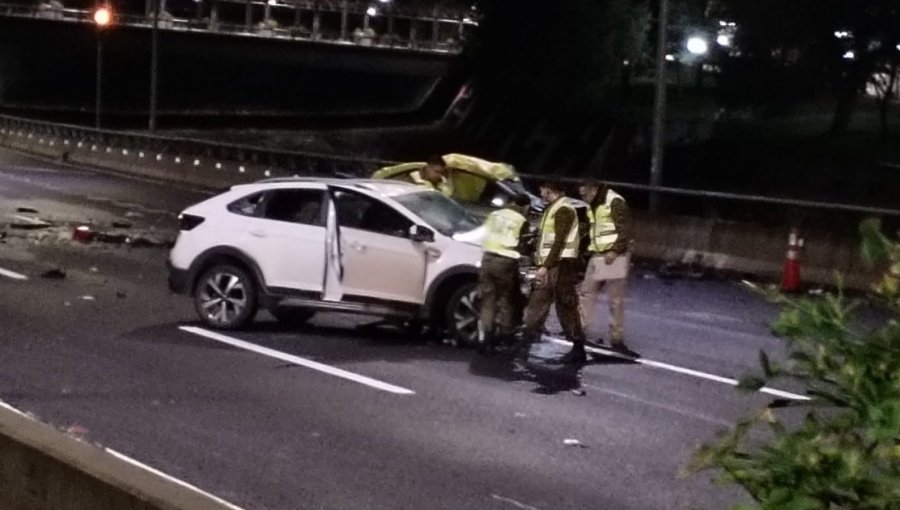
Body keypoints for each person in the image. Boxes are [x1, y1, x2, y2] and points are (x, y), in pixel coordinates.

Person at [520, 180, 588, 364]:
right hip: (550, 265)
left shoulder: (563, 209)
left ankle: (578, 346)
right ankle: (525, 342)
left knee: (565, 306)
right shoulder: (552, 208)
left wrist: (545, 266)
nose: (540, 193)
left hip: (561, 266)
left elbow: (558, 242)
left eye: (542, 190)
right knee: (537, 302)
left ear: (548, 189)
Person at [578, 179, 636, 357]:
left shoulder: (614, 201)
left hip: (613, 256)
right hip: (598, 255)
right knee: (587, 293)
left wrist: (615, 251)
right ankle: (579, 331)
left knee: (614, 300)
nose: (584, 198)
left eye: (585, 194)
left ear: (594, 189)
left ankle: (616, 339)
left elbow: (624, 229)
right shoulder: (594, 205)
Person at [478, 193, 531, 355]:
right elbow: (523, 245)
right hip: (506, 262)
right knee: (505, 300)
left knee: (488, 301)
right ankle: (504, 337)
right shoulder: (521, 221)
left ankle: (486, 339)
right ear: (524, 206)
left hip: (487, 259)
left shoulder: (494, 214)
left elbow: (484, 233)